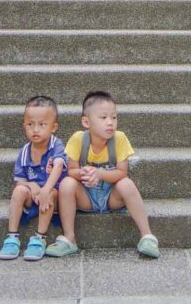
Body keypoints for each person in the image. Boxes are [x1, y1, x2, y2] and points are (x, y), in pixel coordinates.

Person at [45, 90, 159, 259]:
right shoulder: (78, 139)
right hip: (86, 197)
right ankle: (69, 238)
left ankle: (147, 236)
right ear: (86, 122)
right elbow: (71, 170)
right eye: (103, 118)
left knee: (126, 183)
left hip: (111, 197)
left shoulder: (119, 139)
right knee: (67, 183)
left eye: (114, 117)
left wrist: (100, 174)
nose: (110, 123)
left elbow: (121, 172)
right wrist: (86, 173)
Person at [0, 95, 66, 262]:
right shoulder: (25, 151)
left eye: (42, 125)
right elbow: (19, 180)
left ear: (54, 127)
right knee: (19, 190)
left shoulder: (56, 145)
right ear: (24, 126)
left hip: (54, 195)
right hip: (33, 195)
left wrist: (45, 190)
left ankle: (39, 238)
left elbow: (58, 166)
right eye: (30, 125)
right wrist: (31, 185)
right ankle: (12, 236)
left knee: (51, 194)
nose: (35, 130)